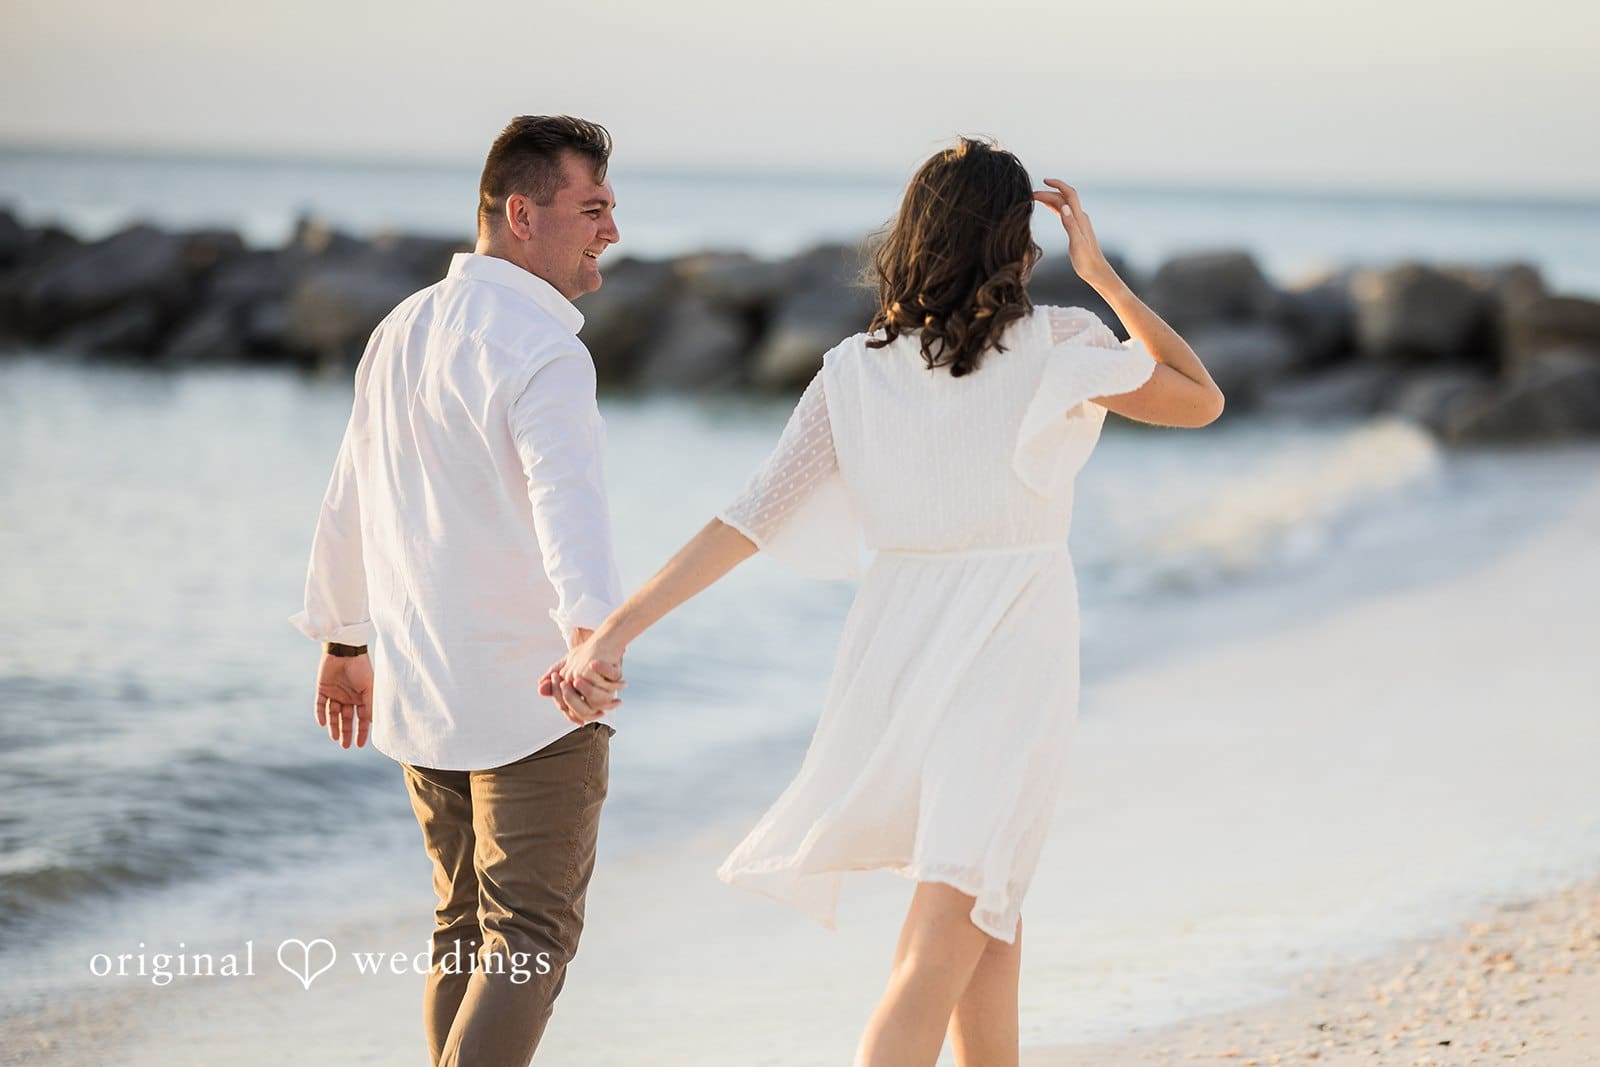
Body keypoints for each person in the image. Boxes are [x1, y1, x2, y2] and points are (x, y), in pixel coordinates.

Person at [543, 138, 1225, 1066]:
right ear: (1014, 243)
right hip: (1013, 650)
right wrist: (1103, 276)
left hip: (897, 649)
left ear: (913, 236)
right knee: (950, 926)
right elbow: (1200, 397)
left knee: (990, 904)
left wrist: (616, 630)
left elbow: (746, 520)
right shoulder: (1060, 342)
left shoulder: (853, 371)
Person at [289, 115, 628, 1066]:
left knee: (464, 930)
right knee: (526, 943)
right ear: (523, 214)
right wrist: (591, 641)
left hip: (423, 689)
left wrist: (343, 641)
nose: (610, 232)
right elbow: (573, 516)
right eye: (592, 209)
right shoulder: (547, 352)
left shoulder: (402, 326)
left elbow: (349, 490)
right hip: (534, 697)